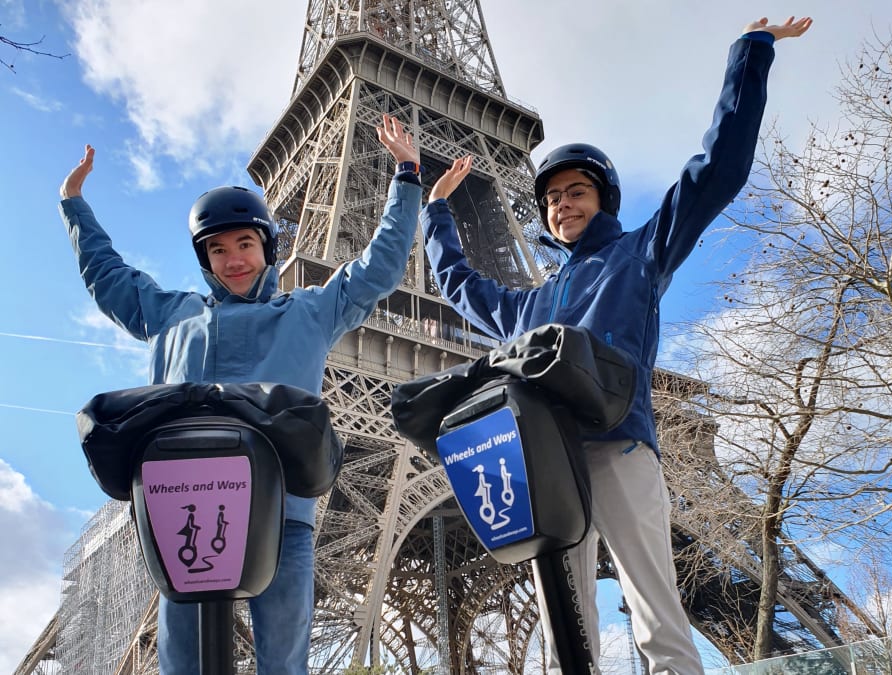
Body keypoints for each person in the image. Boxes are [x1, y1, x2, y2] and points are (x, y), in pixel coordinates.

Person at [419, 17, 812, 674]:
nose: (561, 204)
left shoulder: (638, 255)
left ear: (602, 199)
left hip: (619, 443)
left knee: (657, 615)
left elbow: (715, 172)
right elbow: (463, 287)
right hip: (548, 458)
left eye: (575, 192)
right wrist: (435, 214)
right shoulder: (531, 304)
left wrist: (751, 54)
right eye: (550, 198)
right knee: (564, 630)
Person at [59, 114, 424, 674]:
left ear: (267, 248)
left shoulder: (307, 312)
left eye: (245, 244)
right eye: (219, 249)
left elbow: (377, 269)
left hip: (278, 509)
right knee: (183, 659)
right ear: (205, 260)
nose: (233, 259)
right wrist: (74, 204)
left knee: (282, 659)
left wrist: (405, 176)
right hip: (182, 502)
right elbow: (107, 274)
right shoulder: (169, 314)